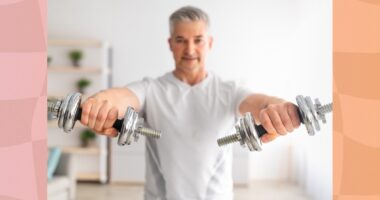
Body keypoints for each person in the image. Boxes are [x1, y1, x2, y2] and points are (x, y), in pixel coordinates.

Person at [80, 6, 301, 200]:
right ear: (170, 44)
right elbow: (124, 96)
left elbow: (259, 102)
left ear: (210, 43)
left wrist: (279, 107)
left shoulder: (230, 91)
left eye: (198, 40)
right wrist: (102, 101)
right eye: (180, 40)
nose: (190, 50)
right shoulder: (152, 89)